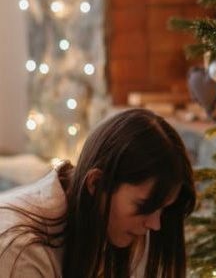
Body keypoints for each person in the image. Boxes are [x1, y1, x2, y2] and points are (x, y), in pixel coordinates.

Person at [0, 108, 196, 277]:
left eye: (162, 209)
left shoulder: (109, 226)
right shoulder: (20, 252)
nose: (155, 224)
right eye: (144, 206)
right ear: (96, 184)